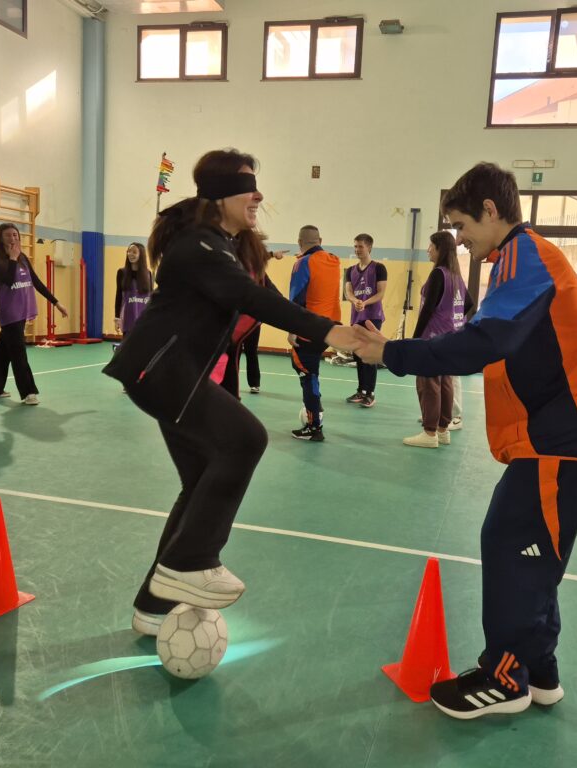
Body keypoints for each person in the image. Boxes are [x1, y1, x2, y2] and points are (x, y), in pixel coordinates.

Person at [354, 162, 577, 720]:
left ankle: (507, 678)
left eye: (461, 224)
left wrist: (390, 353)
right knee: (532, 551)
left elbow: (481, 344)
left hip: (561, 437)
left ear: (491, 211)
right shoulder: (512, 262)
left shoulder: (527, 255)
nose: (459, 238)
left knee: (512, 545)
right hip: (552, 434)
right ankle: (539, 671)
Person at [102, 149, 360, 637]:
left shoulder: (223, 245)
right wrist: (331, 332)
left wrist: (324, 328)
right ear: (220, 195)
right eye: (248, 186)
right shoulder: (198, 245)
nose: (258, 194)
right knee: (245, 439)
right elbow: (252, 300)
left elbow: (264, 293)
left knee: (199, 480)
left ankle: (153, 605)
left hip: (174, 375)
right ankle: (189, 562)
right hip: (160, 372)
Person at [0, 223, 68, 405]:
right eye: (8, 235)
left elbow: (36, 282)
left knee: (2, 350)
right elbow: (7, 279)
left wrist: (56, 302)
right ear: (0, 237)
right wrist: (12, 259)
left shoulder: (23, 258)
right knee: (18, 352)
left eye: (15, 235)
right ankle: (28, 391)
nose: (13, 238)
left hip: (22, 311)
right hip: (8, 312)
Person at [403, 231, 472, 448]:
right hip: (450, 338)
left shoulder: (438, 275)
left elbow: (426, 312)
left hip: (433, 338)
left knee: (429, 385)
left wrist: (414, 340)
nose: (427, 250)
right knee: (446, 384)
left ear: (439, 248)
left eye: (430, 245)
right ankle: (443, 431)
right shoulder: (456, 276)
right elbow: (469, 304)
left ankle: (429, 432)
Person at [288, 225, 342, 441]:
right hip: (330, 328)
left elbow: (296, 299)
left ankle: (314, 426)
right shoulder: (334, 260)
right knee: (311, 371)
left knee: (306, 372)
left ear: (300, 242)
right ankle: (315, 411)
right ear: (320, 239)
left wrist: (292, 329)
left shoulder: (302, 263)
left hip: (309, 327)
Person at [344, 233, 387, 408]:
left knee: (369, 355)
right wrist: (355, 301)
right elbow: (348, 292)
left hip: (372, 317)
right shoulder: (350, 270)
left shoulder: (379, 268)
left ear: (369, 247)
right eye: (355, 246)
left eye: (360, 246)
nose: (357, 250)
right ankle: (361, 390)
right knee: (358, 353)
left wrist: (365, 302)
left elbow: (381, 293)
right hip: (356, 317)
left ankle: (370, 393)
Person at [241, 245, 288, 395]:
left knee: (251, 351)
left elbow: (274, 291)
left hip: (253, 322)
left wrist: (286, 305)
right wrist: (273, 254)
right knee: (232, 353)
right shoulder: (236, 269)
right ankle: (228, 384)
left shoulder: (261, 275)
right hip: (234, 321)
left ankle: (254, 383)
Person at [113, 242, 153, 337]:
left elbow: (151, 297)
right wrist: (117, 318)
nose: (130, 254)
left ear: (141, 254)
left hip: (143, 320)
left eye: (134, 252)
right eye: (129, 251)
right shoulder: (122, 272)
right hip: (128, 319)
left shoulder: (148, 274)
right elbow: (118, 296)